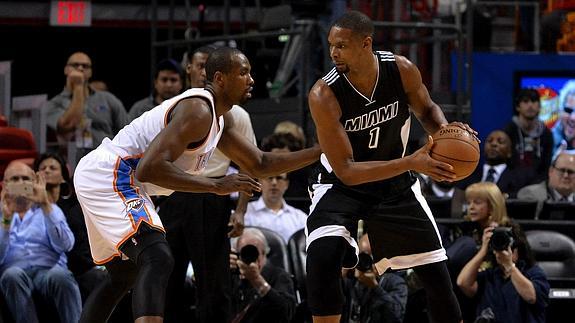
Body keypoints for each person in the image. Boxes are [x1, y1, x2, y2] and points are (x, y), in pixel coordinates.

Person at [73, 47, 321, 323]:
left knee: (125, 274)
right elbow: (150, 168)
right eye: (243, 72)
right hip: (113, 173)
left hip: (114, 177)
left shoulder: (218, 119)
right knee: (158, 257)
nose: (251, 79)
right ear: (220, 78)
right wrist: (216, 185)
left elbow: (260, 163)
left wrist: (322, 151)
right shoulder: (198, 110)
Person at [306, 10, 474, 323]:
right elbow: (347, 171)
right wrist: (413, 161)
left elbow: (426, 109)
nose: (332, 52)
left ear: (365, 44)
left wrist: (448, 136)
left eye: (341, 45)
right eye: (330, 45)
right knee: (322, 255)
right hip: (340, 185)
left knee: (437, 276)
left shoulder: (401, 70)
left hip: (394, 184)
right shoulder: (323, 94)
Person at [160, 44, 258, 323]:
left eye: (209, 66)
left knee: (214, 282)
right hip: (174, 193)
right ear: (189, 69)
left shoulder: (236, 114)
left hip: (213, 195)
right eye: (200, 65)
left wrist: (240, 211)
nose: (205, 72)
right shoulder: (176, 108)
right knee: (166, 275)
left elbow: (252, 165)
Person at [0, 161, 81, 323]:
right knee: (11, 275)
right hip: (15, 272)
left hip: (48, 271)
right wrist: (6, 220)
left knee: (60, 275)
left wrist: (45, 205)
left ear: (35, 182)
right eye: (15, 179)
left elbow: (66, 245)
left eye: (25, 178)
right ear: (4, 185)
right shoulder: (1, 214)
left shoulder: (50, 209)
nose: (21, 183)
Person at [34, 153, 108, 302]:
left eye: (52, 168)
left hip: (82, 266)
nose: (47, 170)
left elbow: (83, 242)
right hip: (49, 266)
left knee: (105, 277)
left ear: (63, 177)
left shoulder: (75, 206)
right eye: (43, 168)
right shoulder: (31, 208)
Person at [45, 52, 129, 163]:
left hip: (107, 161)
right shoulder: (54, 103)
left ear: (90, 72)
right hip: (71, 163)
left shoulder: (108, 99)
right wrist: (78, 87)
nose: (80, 68)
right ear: (66, 69)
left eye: (85, 66)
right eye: (75, 65)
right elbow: (68, 124)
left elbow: (126, 131)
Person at [457, 222, 549, 323]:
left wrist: (509, 266)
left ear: (518, 249)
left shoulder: (533, 273)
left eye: (509, 247)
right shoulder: (489, 276)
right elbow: (462, 282)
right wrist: (483, 250)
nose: (503, 250)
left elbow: (531, 297)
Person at [229, 227, 297, 323]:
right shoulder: (230, 276)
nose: (249, 257)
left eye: (253, 252)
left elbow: (287, 313)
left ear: (265, 253)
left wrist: (257, 281)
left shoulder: (279, 276)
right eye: (245, 252)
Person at [341, 234, 408, 323]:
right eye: (363, 257)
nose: (367, 262)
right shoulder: (349, 280)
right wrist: (339, 277)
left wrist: (376, 288)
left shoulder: (395, 282)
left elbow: (397, 316)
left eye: (373, 257)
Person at [457, 130, 535, 199]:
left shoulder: (520, 177)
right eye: (490, 141)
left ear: (509, 152)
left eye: (500, 142)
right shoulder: (469, 174)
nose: (494, 144)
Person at [503, 88, 554, 181]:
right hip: (511, 182)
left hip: (539, 184)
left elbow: (546, 165)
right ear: (518, 106)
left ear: (539, 106)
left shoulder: (547, 134)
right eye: (526, 101)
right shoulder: (508, 131)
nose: (530, 105)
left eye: (534, 101)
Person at [244, 170, 307, 244]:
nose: (274, 183)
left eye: (279, 178)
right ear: (259, 182)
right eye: (269, 178)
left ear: (286, 183)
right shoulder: (245, 213)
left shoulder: (300, 217)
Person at [517, 150, 575, 218]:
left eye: (570, 172)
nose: (565, 175)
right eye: (562, 170)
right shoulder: (531, 194)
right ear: (550, 171)